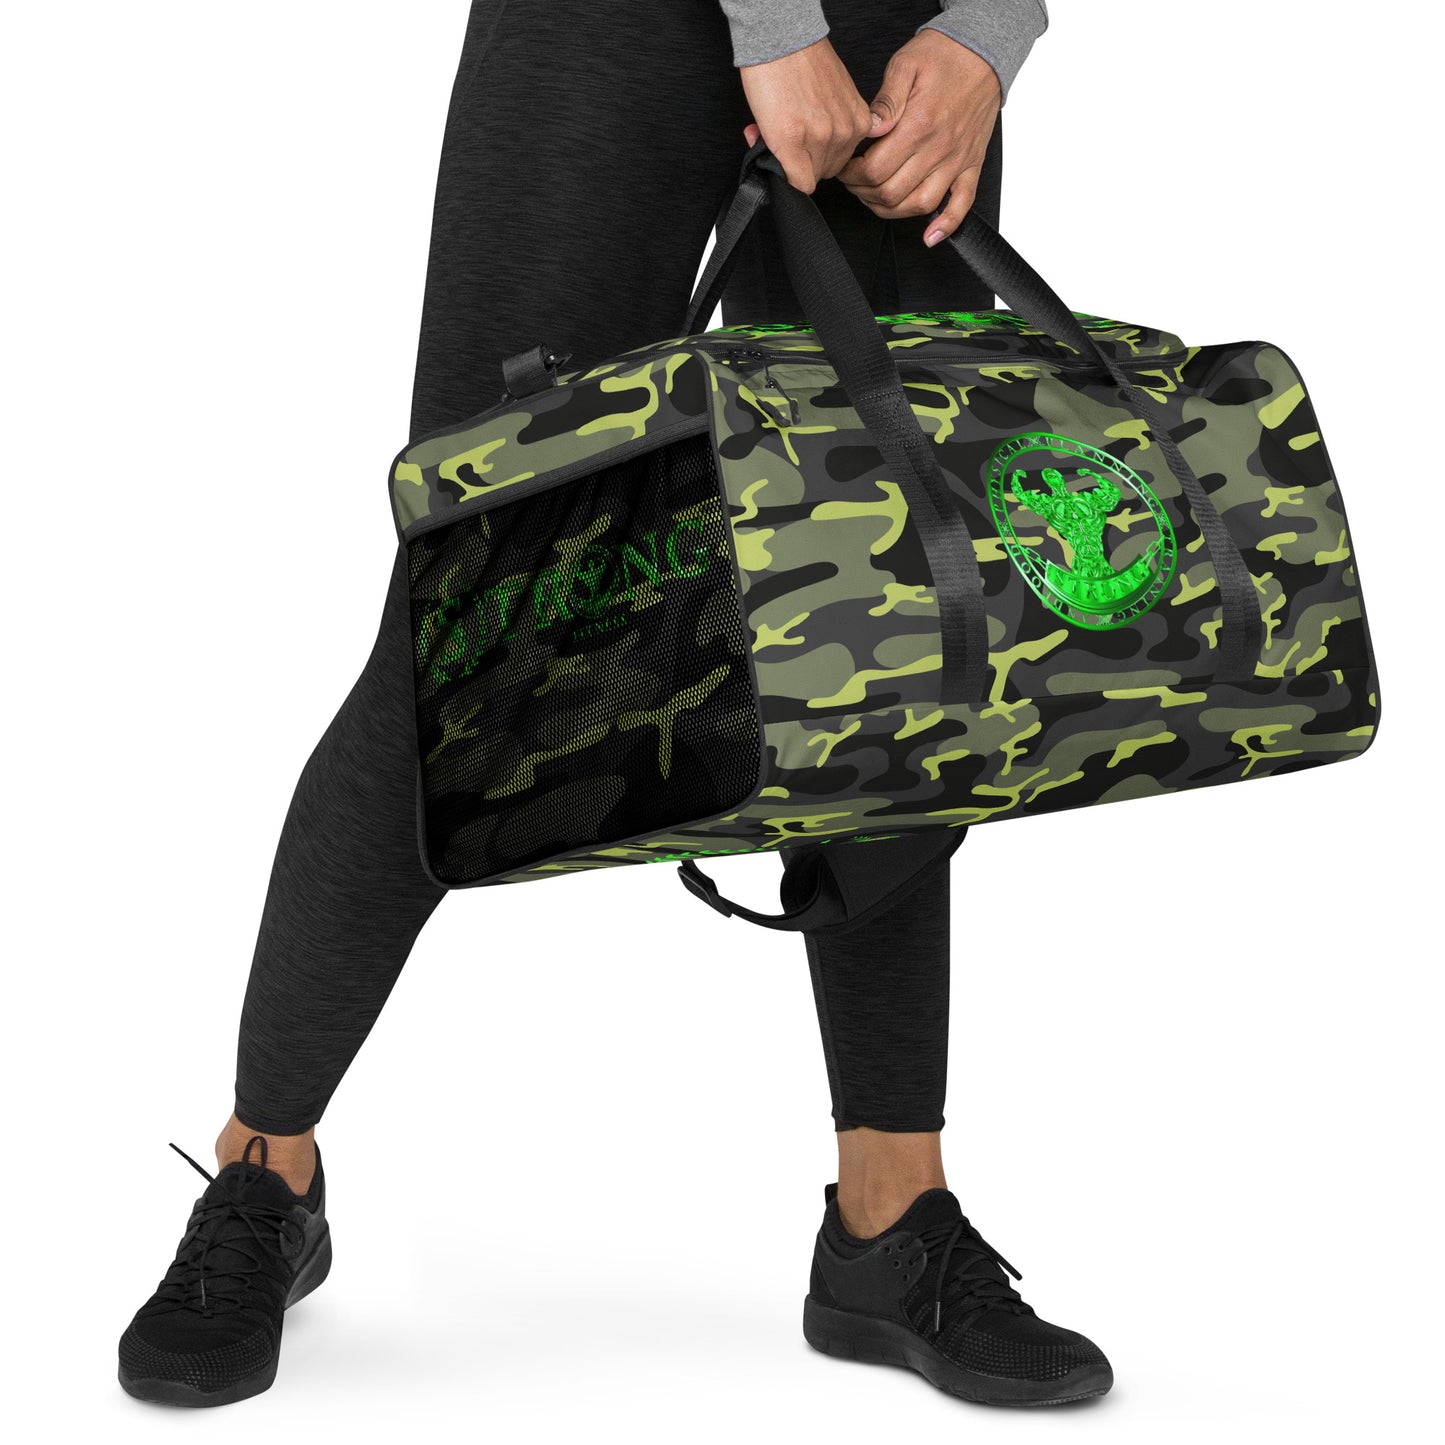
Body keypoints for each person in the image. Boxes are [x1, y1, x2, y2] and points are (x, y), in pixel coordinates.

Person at [118, 0, 1109, 1412]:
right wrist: (774, 22)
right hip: (613, 30)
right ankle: (263, 1171)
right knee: (473, 616)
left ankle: (889, 1219)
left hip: (911, 50)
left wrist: (990, 31)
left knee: (890, 627)